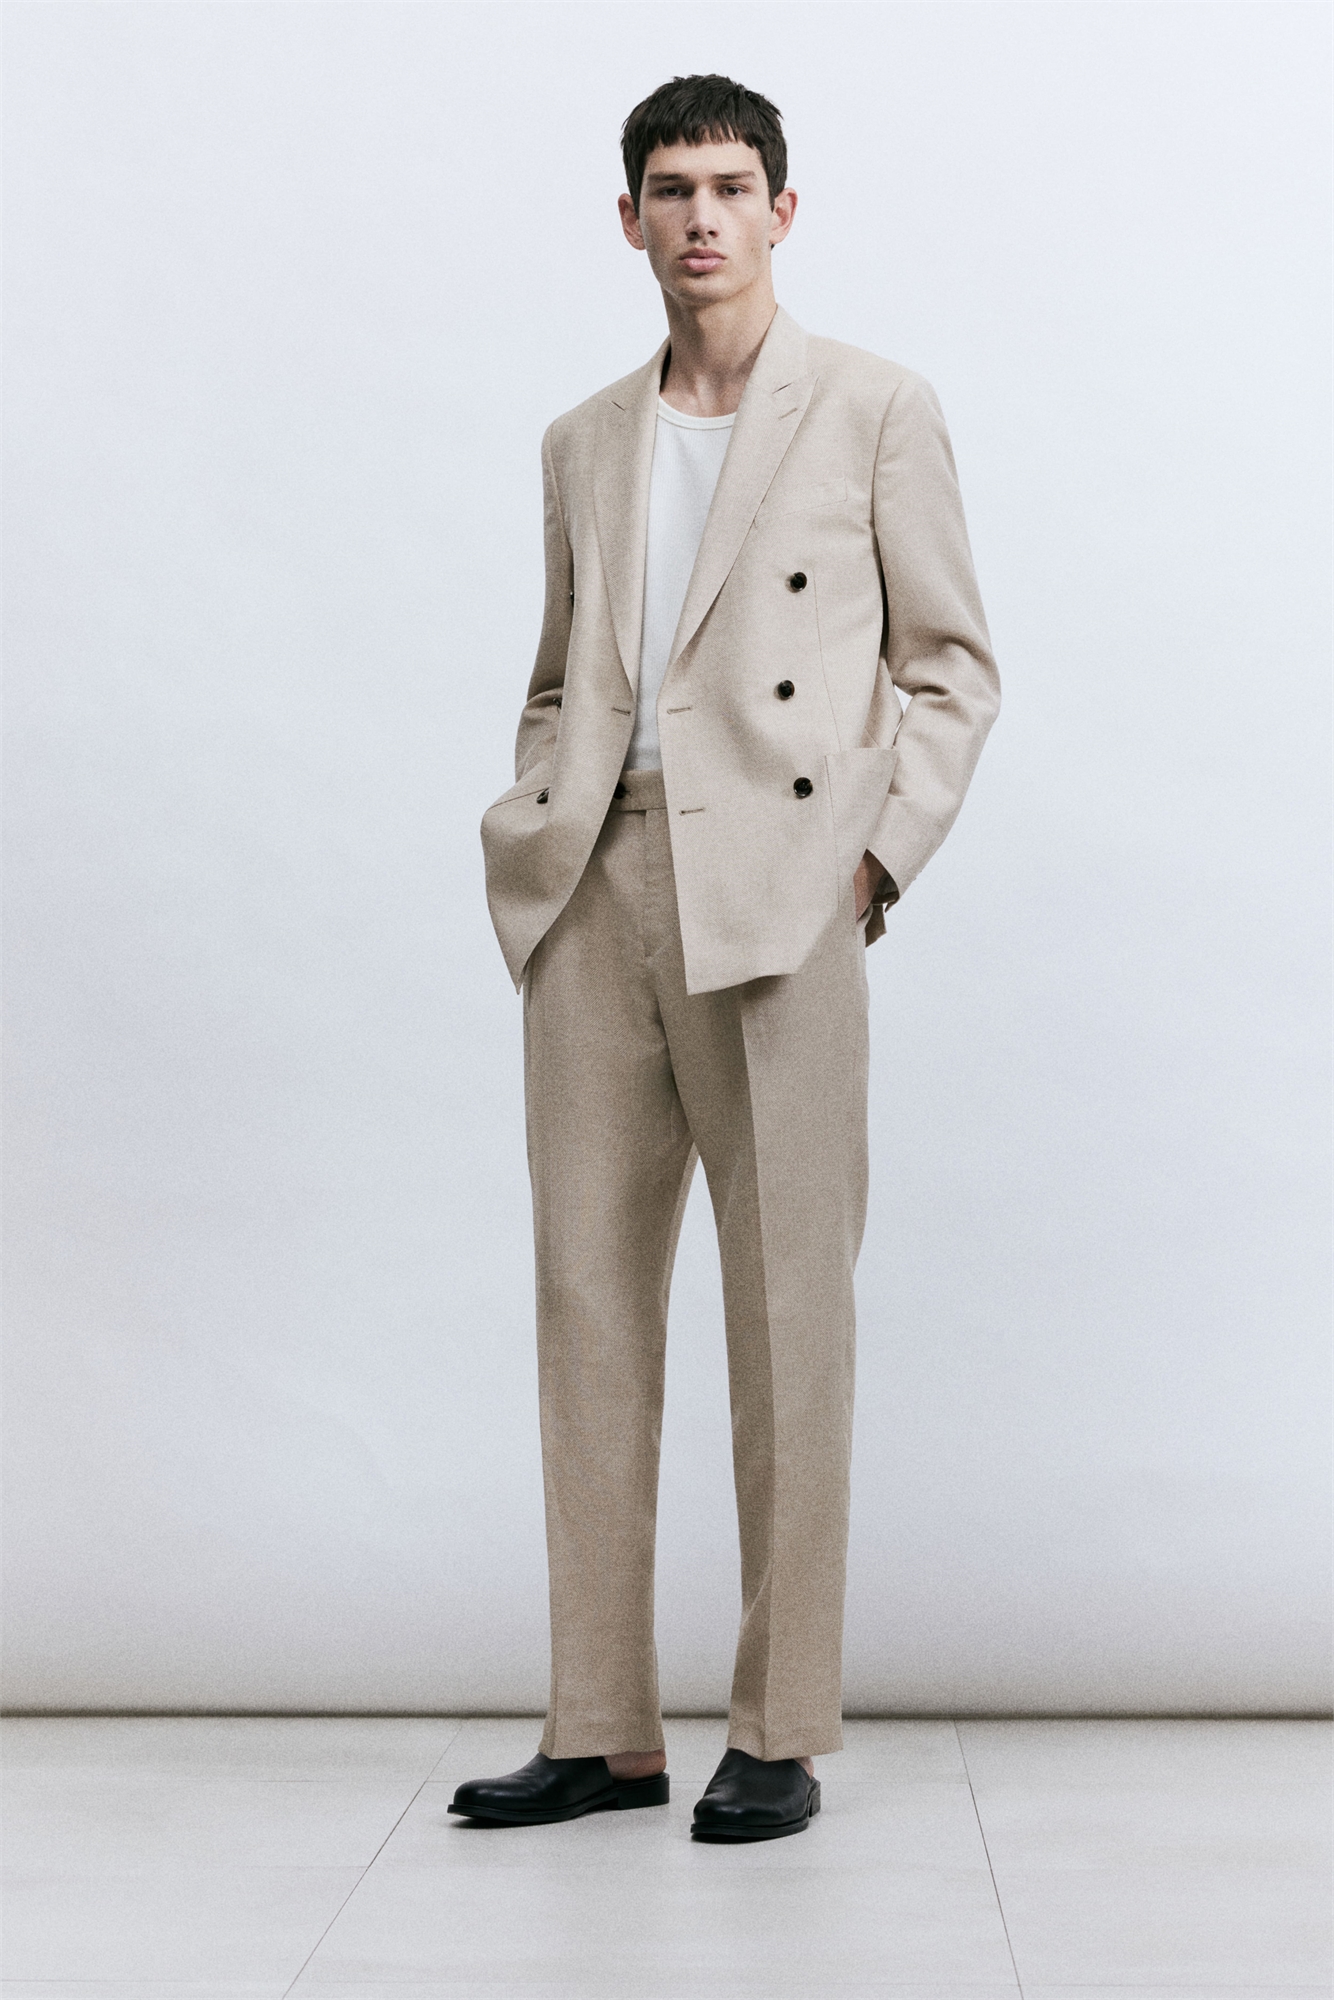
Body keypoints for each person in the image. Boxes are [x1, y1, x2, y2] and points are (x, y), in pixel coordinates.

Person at [452, 73, 999, 1843]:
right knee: (586, 1310)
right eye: (672, 189)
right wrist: (537, 818)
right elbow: (559, 671)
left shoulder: (874, 408)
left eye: (732, 187)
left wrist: (870, 860)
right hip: (595, 889)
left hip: (778, 896)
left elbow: (950, 667)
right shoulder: (582, 439)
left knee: (788, 1317)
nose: (702, 216)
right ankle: (601, 1726)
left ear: (781, 211)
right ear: (627, 219)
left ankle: (778, 1724)